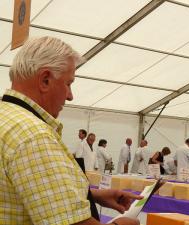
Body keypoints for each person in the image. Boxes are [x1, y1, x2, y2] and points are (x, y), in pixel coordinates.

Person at [0, 36, 141, 225]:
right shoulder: (34, 136)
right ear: (45, 80)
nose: (70, 96)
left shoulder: (7, 118)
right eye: (68, 83)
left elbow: (17, 191)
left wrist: (92, 195)